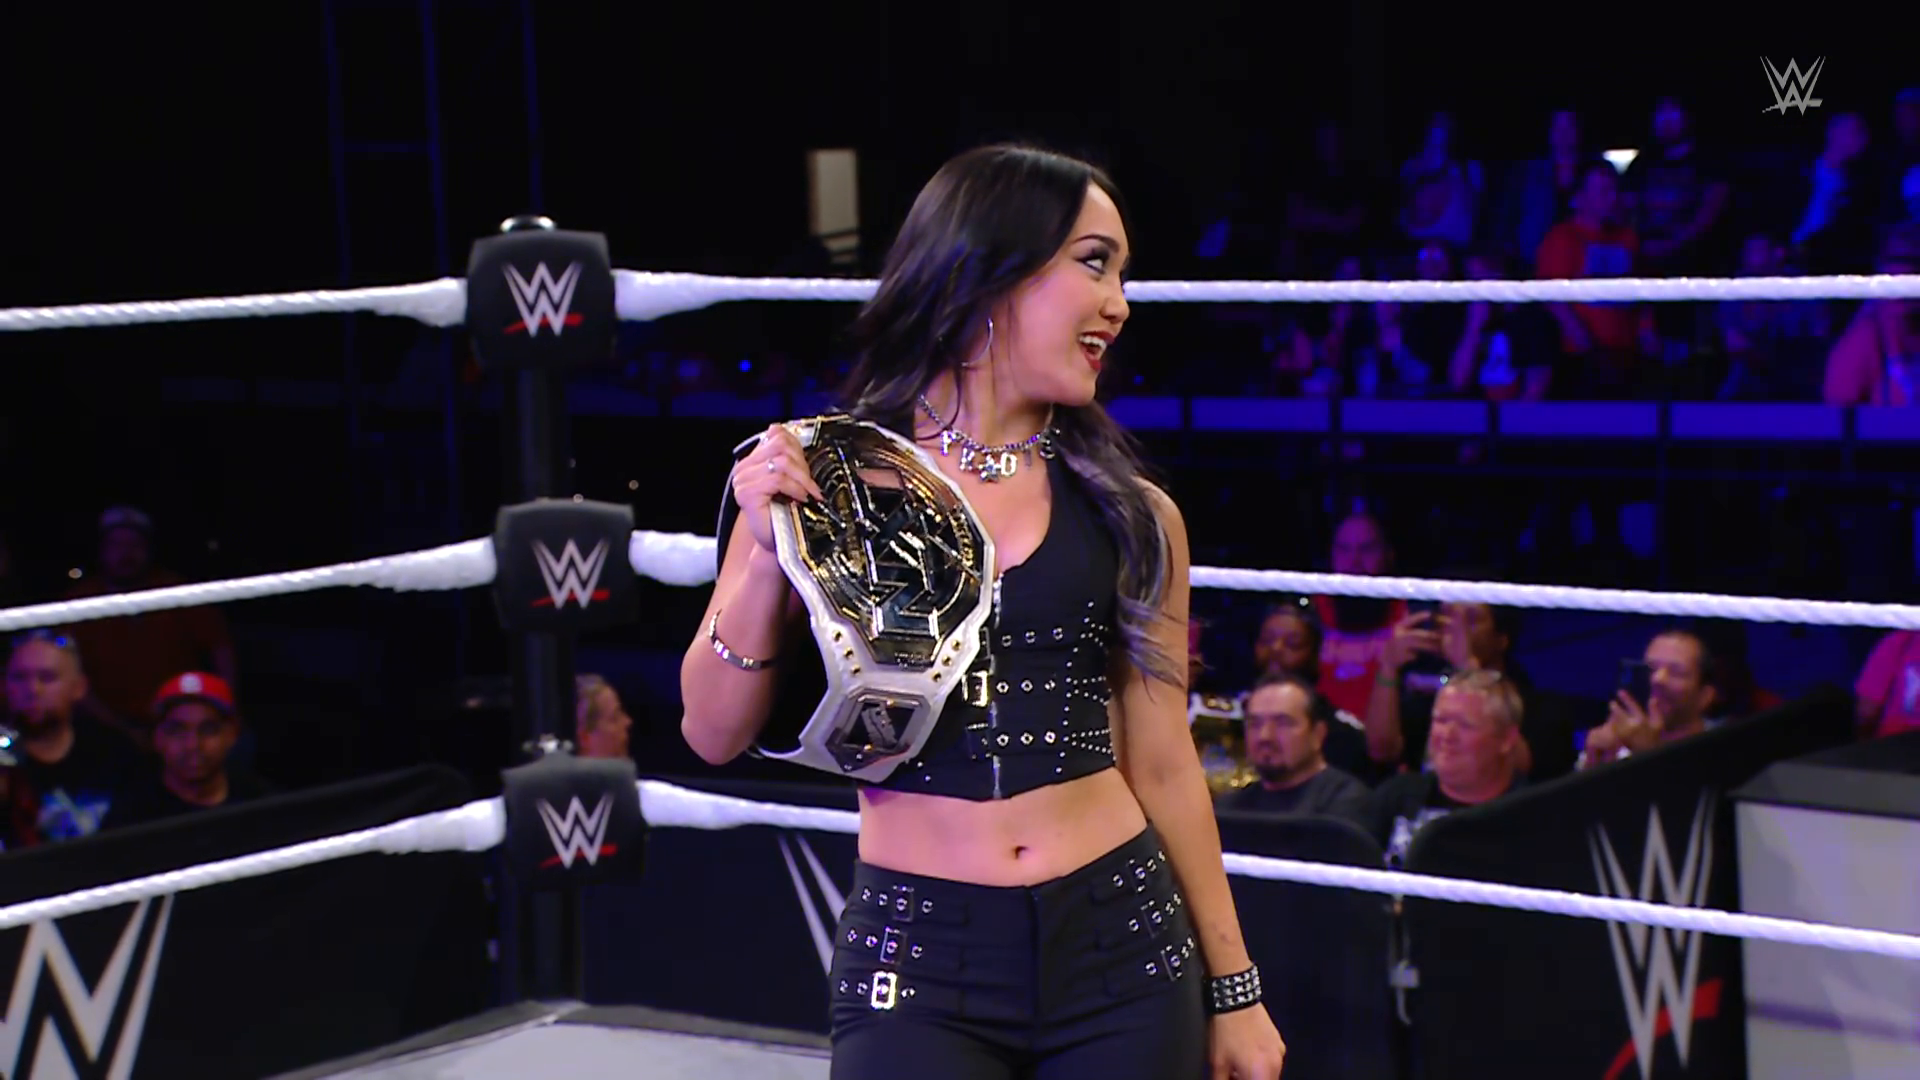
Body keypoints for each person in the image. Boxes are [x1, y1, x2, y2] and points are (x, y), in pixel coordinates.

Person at [680, 144, 1286, 1079]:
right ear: (992, 267)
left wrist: (1235, 989)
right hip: (919, 960)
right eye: (1094, 263)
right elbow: (711, 731)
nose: (1119, 304)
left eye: (1122, 274)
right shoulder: (821, 477)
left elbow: (1165, 764)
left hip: (1123, 946)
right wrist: (767, 553)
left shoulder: (1134, 514)